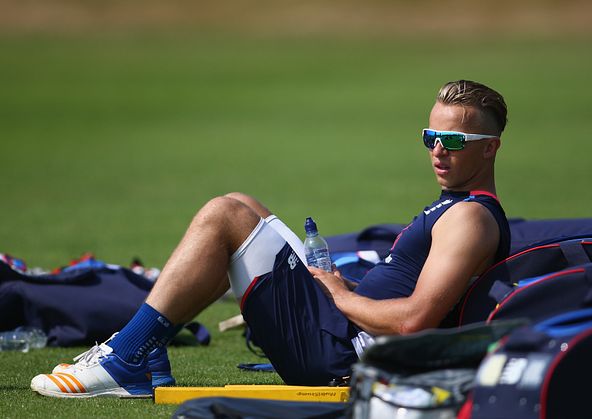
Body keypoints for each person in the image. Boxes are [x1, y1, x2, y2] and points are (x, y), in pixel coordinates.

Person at [30, 79, 511, 398]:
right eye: (430, 136)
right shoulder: (456, 205)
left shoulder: (471, 218)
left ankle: (128, 357)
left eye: (452, 142)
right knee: (242, 203)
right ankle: (152, 350)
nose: (436, 151)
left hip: (344, 357)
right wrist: (343, 291)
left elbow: (414, 321)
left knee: (224, 217)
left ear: (489, 149)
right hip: (341, 330)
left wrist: (341, 295)